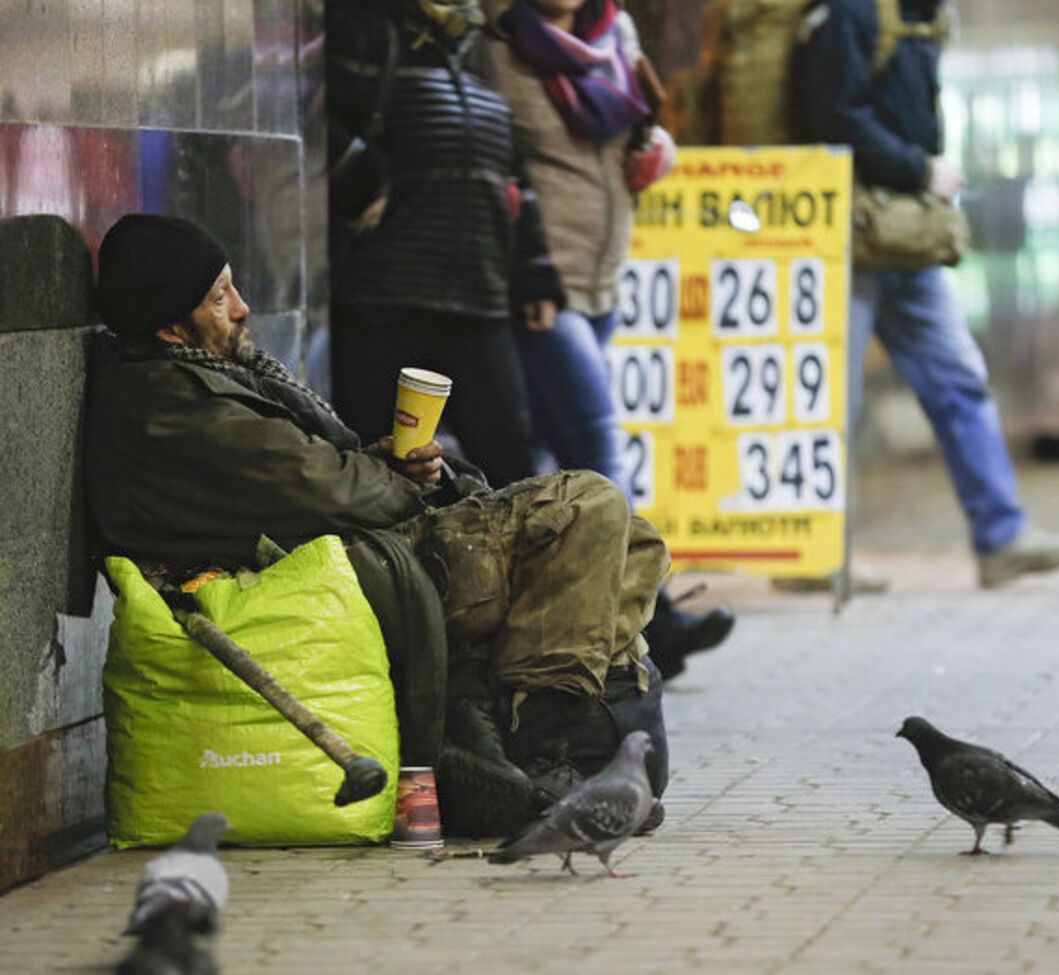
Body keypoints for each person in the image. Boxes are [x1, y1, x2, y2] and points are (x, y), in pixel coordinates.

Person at [87, 214, 671, 835]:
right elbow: (323, 488)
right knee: (590, 505)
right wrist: (399, 477)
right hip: (365, 569)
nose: (241, 307)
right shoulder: (174, 407)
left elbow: (322, 474)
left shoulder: (202, 381)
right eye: (217, 297)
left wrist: (416, 470)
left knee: (635, 544)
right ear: (171, 327)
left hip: (376, 545)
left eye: (232, 287)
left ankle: (517, 727)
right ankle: (542, 750)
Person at [795, 0, 1059, 588]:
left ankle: (1001, 536)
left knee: (958, 378)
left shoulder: (920, 15)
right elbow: (830, 116)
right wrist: (918, 169)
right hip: (848, 233)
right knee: (830, 402)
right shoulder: (855, 14)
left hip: (907, 236)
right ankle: (812, 554)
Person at [490, 0, 734, 678]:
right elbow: (499, 164)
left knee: (546, 463)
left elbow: (632, 131)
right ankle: (654, 616)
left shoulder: (612, 36)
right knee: (597, 444)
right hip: (544, 282)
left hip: (604, 272)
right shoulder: (501, 47)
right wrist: (525, 271)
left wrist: (660, 150)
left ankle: (551, 631)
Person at [326, 0, 564, 488]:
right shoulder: (361, 27)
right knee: (374, 466)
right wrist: (361, 180)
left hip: (478, 296)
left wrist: (533, 269)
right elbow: (311, 117)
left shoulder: (478, 45)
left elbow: (510, 172)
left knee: (510, 467)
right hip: (381, 298)